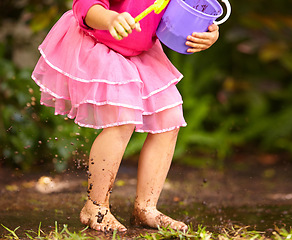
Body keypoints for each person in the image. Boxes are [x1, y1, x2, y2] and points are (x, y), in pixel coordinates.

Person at [31, 0, 219, 233]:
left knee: (169, 117)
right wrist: (110, 18)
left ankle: (146, 208)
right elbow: (85, 5)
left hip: (138, 52)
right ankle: (96, 206)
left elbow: (181, 13)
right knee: (123, 118)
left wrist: (206, 31)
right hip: (99, 43)